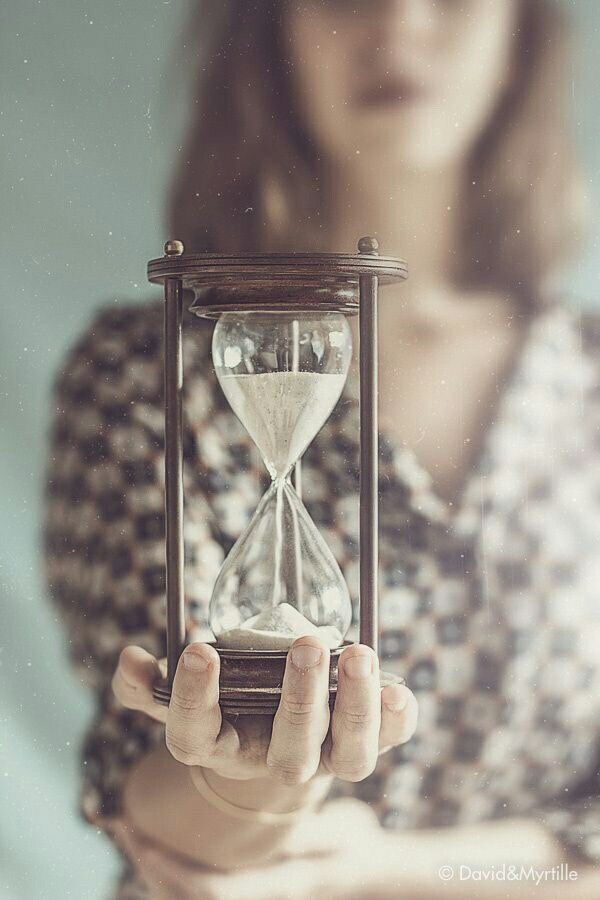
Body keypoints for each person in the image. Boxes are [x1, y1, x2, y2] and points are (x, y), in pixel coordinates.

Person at [44, 0, 600, 896]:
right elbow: (150, 795)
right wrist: (247, 793)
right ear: (271, 36)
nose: (398, 25)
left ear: (518, 39)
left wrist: (383, 873)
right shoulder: (143, 372)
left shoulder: (588, 379)